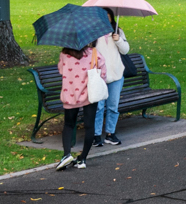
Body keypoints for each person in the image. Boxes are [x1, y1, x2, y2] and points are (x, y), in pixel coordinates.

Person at [54, 43, 102, 171]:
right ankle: (83, 158)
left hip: (70, 94)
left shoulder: (64, 55)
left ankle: (66, 154)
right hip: (89, 95)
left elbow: (61, 70)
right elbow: (103, 73)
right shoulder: (93, 53)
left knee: (69, 125)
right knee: (89, 126)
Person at [94, 16, 131, 147]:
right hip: (98, 76)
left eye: (108, 16)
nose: (106, 18)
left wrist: (118, 40)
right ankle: (96, 135)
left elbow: (125, 50)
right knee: (98, 107)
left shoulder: (117, 31)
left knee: (113, 106)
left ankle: (110, 134)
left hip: (116, 75)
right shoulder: (93, 32)